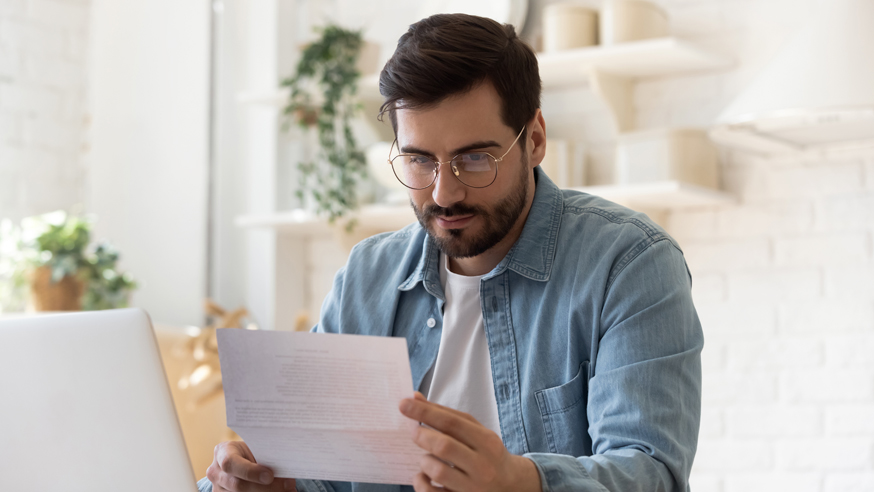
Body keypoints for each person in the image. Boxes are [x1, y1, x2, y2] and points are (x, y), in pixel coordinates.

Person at [200, 13, 703, 492]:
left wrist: (520, 482)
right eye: (419, 160)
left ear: (535, 139)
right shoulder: (367, 275)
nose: (444, 193)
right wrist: (259, 479)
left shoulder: (630, 262)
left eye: (474, 158)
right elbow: (321, 470)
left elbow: (651, 472)